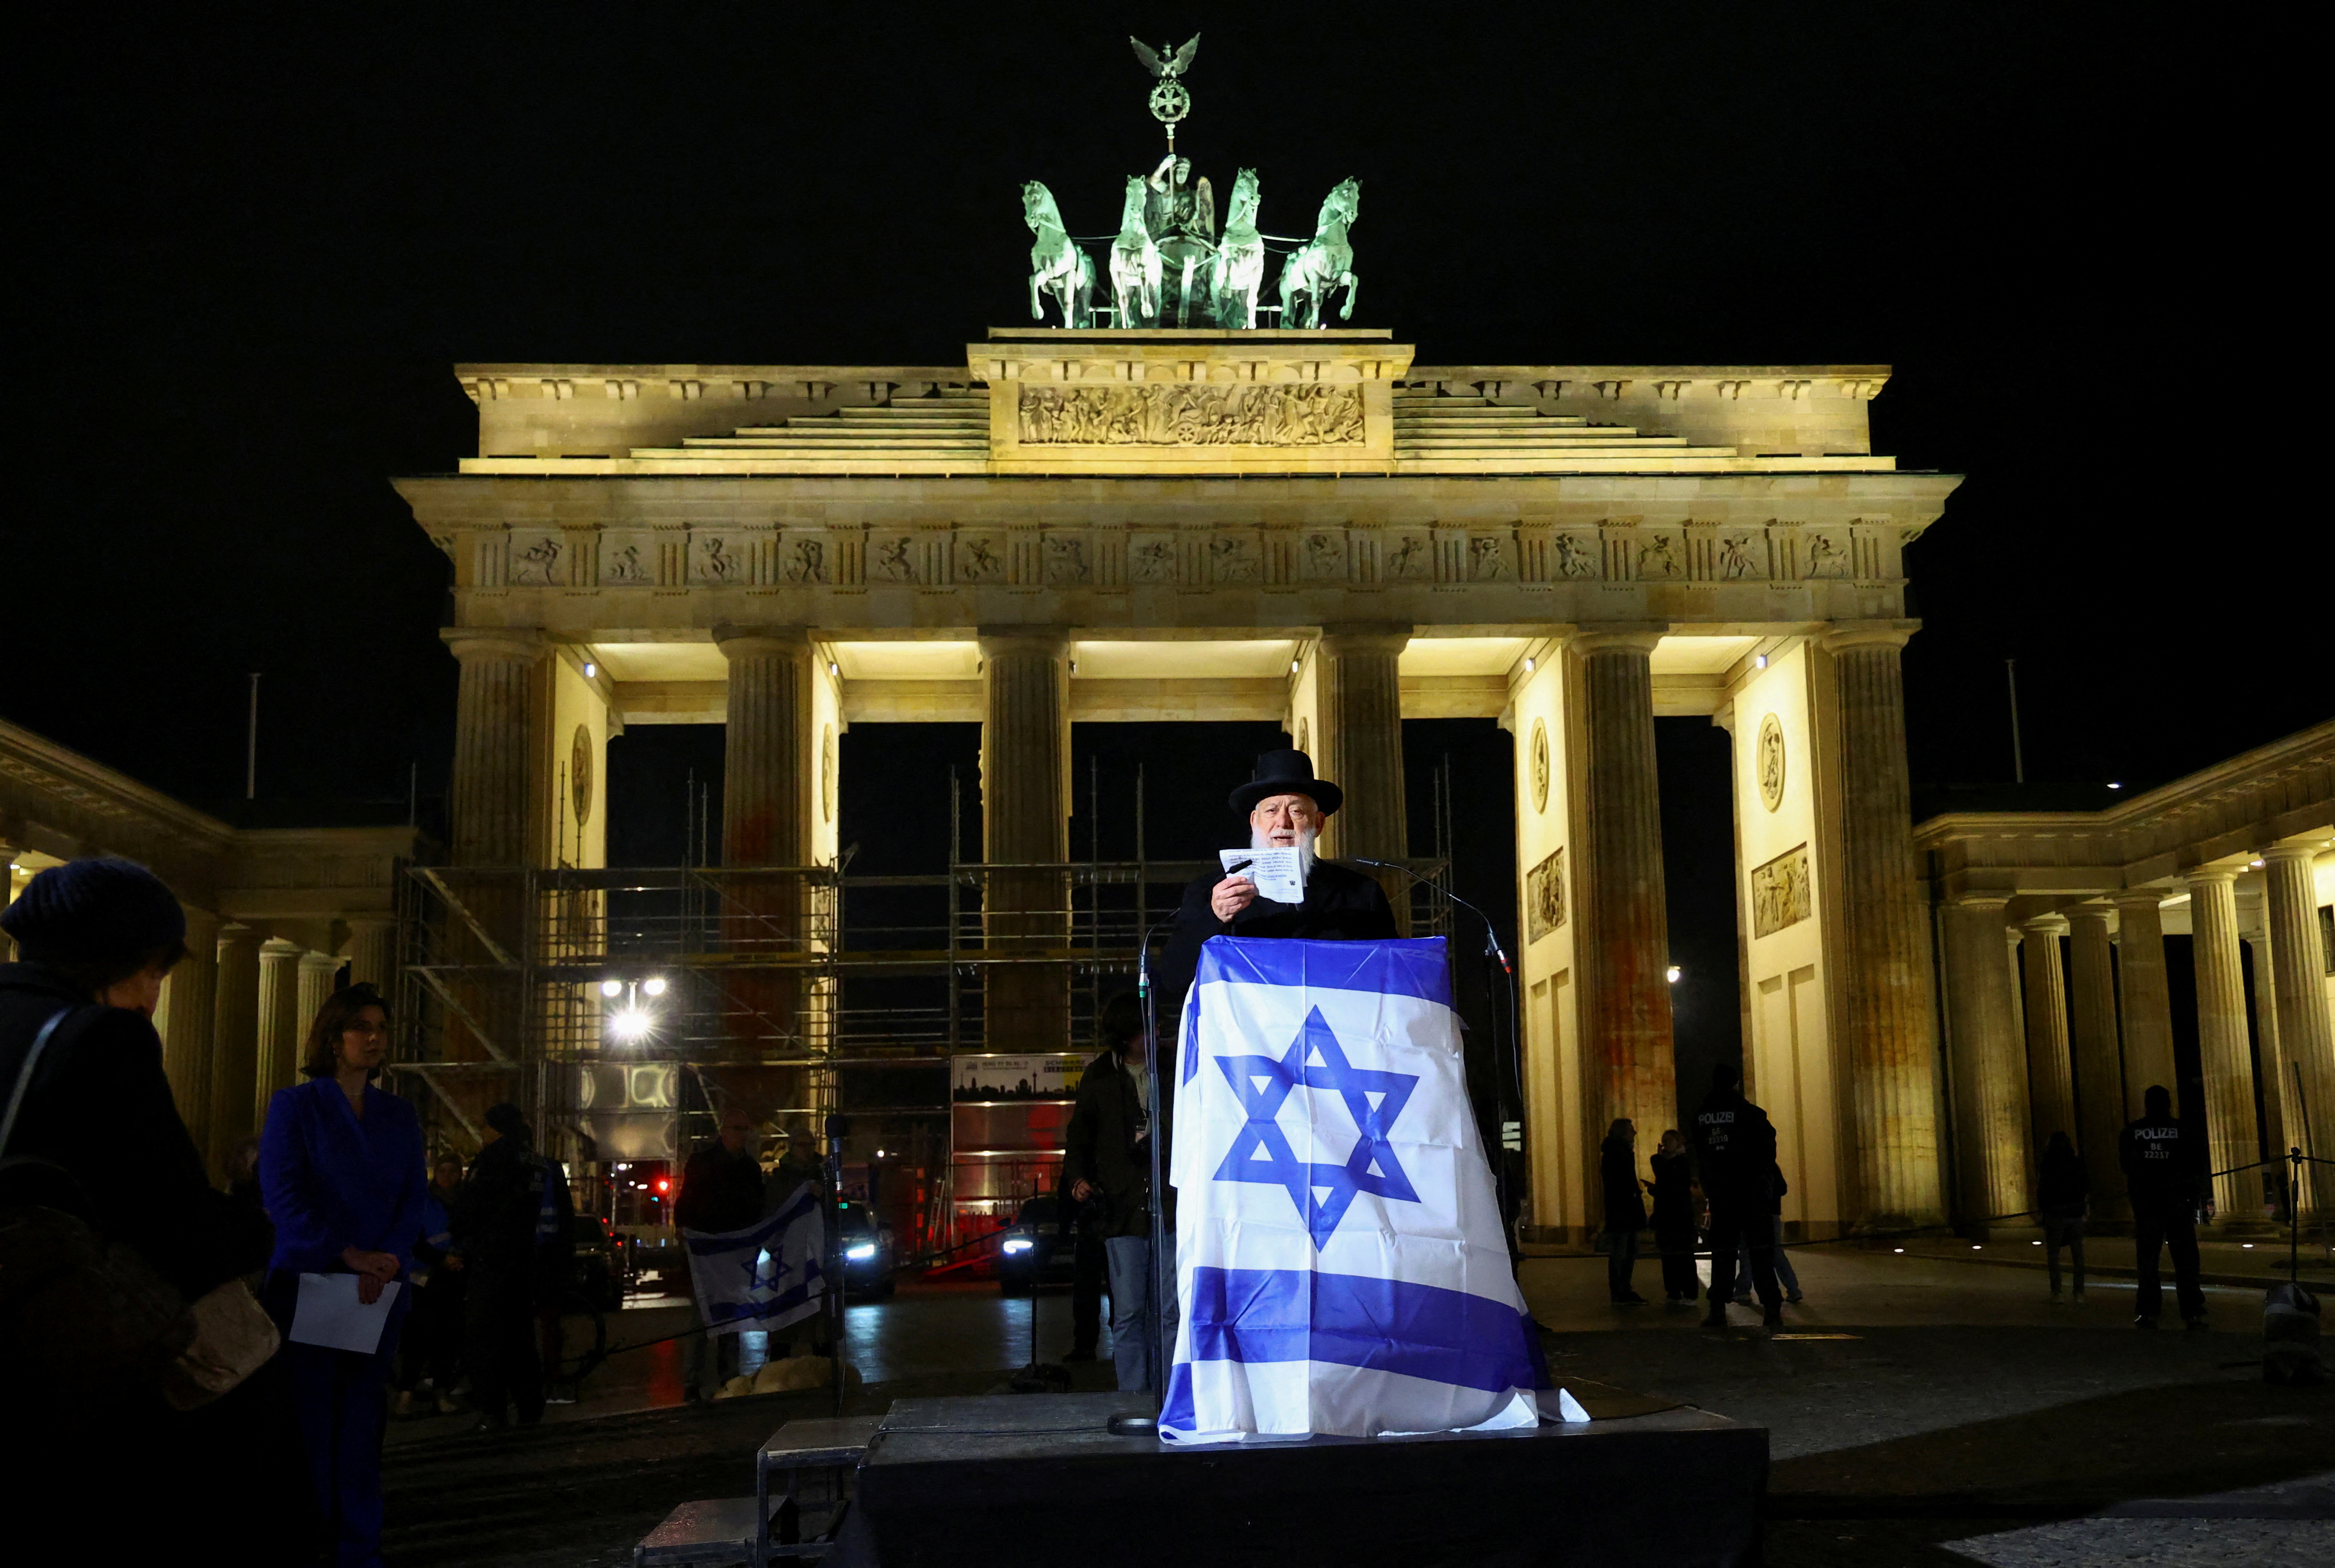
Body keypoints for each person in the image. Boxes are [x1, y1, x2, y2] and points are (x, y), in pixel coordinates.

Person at [0, 858, 289, 1540]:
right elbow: (176, 1220)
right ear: (122, 957)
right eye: (157, 971)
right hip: (59, 1368)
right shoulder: (103, 1038)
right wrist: (256, 1225)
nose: (155, 995)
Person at [258, 981, 428, 1568]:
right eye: (363, 1026)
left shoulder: (399, 1114)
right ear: (334, 1037)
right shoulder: (296, 1106)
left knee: (361, 1425)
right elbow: (284, 1196)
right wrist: (344, 1254)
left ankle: (359, 1543)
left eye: (380, 1027)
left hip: (378, 1288)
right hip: (315, 1282)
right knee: (312, 1425)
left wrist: (388, 1258)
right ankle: (314, 1537)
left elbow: (414, 1198)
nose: (375, 1037)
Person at [1163, 748, 1399, 996]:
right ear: (1254, 821)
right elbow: (1175, 979)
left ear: (1318, 824)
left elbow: (1393, 975)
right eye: (1272, 811)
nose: (1283, 823)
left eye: (1296, 811)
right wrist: (1214, 917)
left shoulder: (1361, 892)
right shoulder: (1212, 892)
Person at [1063, 991, 1173, 1391]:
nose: (1157, 1032)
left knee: (1169, 1311)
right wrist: (1077, 1178)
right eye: (1148, 1027)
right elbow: (1079, 1135)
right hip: (1122, 1208)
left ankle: (1168, 1391)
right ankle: (1132, 1394)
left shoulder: (1173, 1068)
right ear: (1128, 1036)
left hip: (1171, 1205)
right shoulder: (1100, 1078)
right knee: (1128, 1312)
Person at [450, 1102, 551, 1428]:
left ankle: (493, 1408)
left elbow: (471, 1208)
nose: (482, 1133)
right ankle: (529, 1404)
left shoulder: (493, 1160)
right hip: (523, 1260)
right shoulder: (534, 1161)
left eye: (485, 1127)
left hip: (491, 1259)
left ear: (496, 1128)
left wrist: (461, 1230)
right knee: (521, 1337)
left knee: (485, 1337)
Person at [675, 1104, 767, 1398]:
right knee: (702, 1315)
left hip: (735, 1252)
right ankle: (693, 1381)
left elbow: (757, 1209)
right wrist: (686, 1231)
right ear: (724, 1132)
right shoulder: (702, 1163)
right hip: (708, 1251)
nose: (742, 1136)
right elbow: (687, 1200)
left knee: (731, 1316)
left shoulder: (750, 1169)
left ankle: (728, 1378)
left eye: (745, 1130)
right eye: (737, 1129)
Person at [1694, 1061, 1783, 1328]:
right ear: (1735, 1084)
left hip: (1722, 1195)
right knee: (1761, 1253)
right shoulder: (1749, 1113)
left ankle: (1718, 1309)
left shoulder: (1702, 1116)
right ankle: (1771, 1309)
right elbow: (1768, 1150)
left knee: (1722, 1253)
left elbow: (1702, 1155)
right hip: (1752, 1193)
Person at [2121, 1085, 2208, 1328]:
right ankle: (2192, 1310)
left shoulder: (2133, 1132)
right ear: (2169, 1103)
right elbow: (2196, 1164)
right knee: (2186, 1259)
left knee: (2148, 1260)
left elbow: (2127, 1166)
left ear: (2147, 1103)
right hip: (2178, 1202)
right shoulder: (2183, 1131)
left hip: (2148, 1203)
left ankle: (2148, 1311)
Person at [396, 1155, 467, 1415]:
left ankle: (441, 1394)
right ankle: (406, 1395)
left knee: (447, 1340)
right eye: (442, 1171)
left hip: (452, 1279)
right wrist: (441, 1259)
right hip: (423, 1279)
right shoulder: (423, 1202)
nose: (447, 1177)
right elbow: (413, 1238)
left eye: (453, 1172)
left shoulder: (465, 1203)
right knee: (418, 1339)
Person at [1734, 1163, 1804, 1306]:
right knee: (1776, 1253)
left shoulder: (1743, 1166)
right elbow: (1782, 1189)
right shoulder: (1770, 1166)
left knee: (1747, 1253)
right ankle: (1793, 1289)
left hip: (1750, 1214)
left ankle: (1743, 1291)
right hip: (1771, 1214)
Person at [1646, 1128, 1699, 1304]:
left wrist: (1656, 1189)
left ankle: (1690, 1293)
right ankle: (1673, 1292)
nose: (1665, 1143)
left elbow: (1674, 1185)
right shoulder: (1661, 1160)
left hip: (1681, 1216)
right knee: (1668, 1255)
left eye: (1669, 1140)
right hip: (1666, 1215)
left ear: (1679, 1142)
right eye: (1663, 1140)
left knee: (1684, 1255)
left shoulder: (1682, 1162)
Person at [1599, 1118, 1648, 1303]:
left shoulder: (1616, 1152)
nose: (1634, 1133)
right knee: (1624, 1250)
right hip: (1624, 1209)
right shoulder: (1618, 1153)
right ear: (1623, 1132)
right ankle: (1622, 1290)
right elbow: (1622, 1182)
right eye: (1631, 1129)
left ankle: (1622, 1289)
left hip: (1622, 1208)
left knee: (1627, 1249)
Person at [2038, 1130, 2088, 1303]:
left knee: (2054, 1255)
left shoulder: (2047, 1164)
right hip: (2074, 1212)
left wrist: (2043, 1212)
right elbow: (2084, 1186)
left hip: (2055, 1213)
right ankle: (2079, 1292)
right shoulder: (2076, 1163)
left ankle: (2057, 1291)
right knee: (2078, 1255)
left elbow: (2042, 1190)